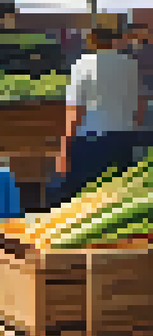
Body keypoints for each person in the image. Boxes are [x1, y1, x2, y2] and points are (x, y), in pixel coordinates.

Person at [57, 26, 147, 203]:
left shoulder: (82, 65)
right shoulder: (130, 64)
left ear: (91, 40)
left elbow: (74, 112)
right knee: (118, 200)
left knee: (87, 200)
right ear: (113, 40)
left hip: (90, 141)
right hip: (123, 138)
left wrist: (64, 149)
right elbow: (140, 105)